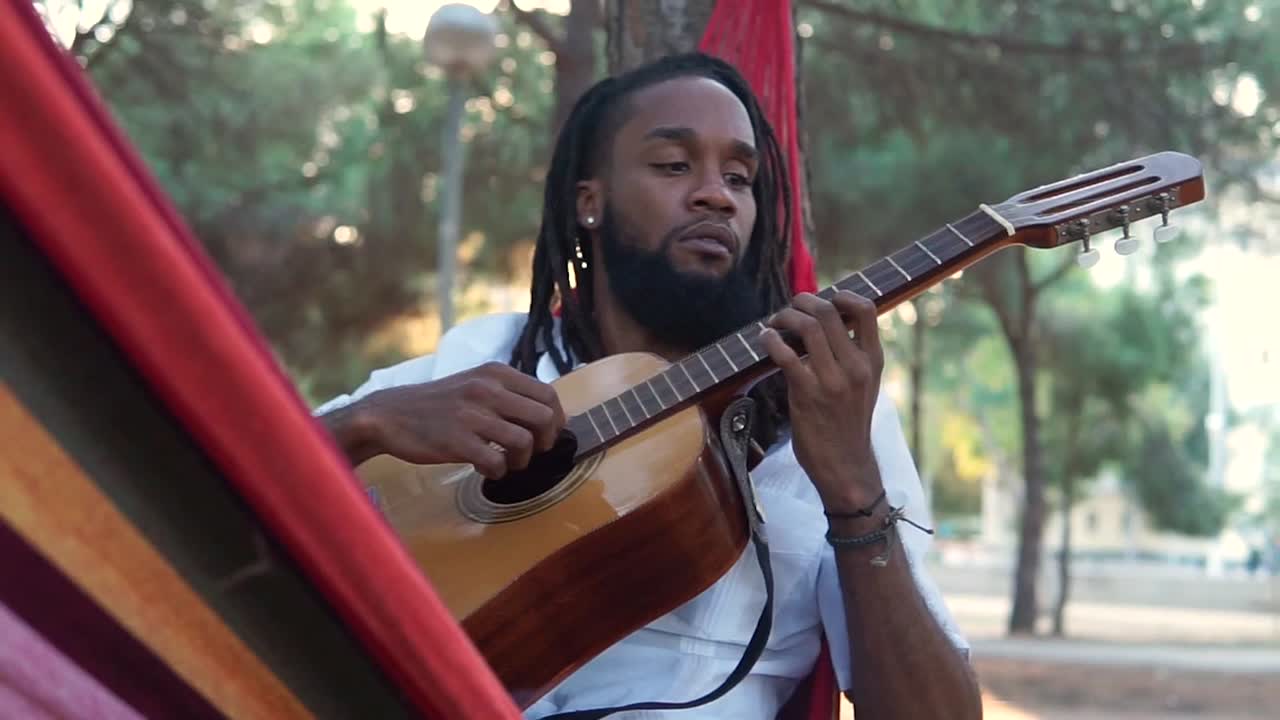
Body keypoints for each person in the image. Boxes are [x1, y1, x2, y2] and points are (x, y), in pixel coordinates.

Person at [317, 53, 981, 720]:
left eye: (740, 178)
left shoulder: (830, 401)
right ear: (590, 202)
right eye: (673, 165)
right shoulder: (484, 357)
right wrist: (364, 424)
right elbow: (262, 476)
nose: (717, 195)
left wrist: (854, 489)